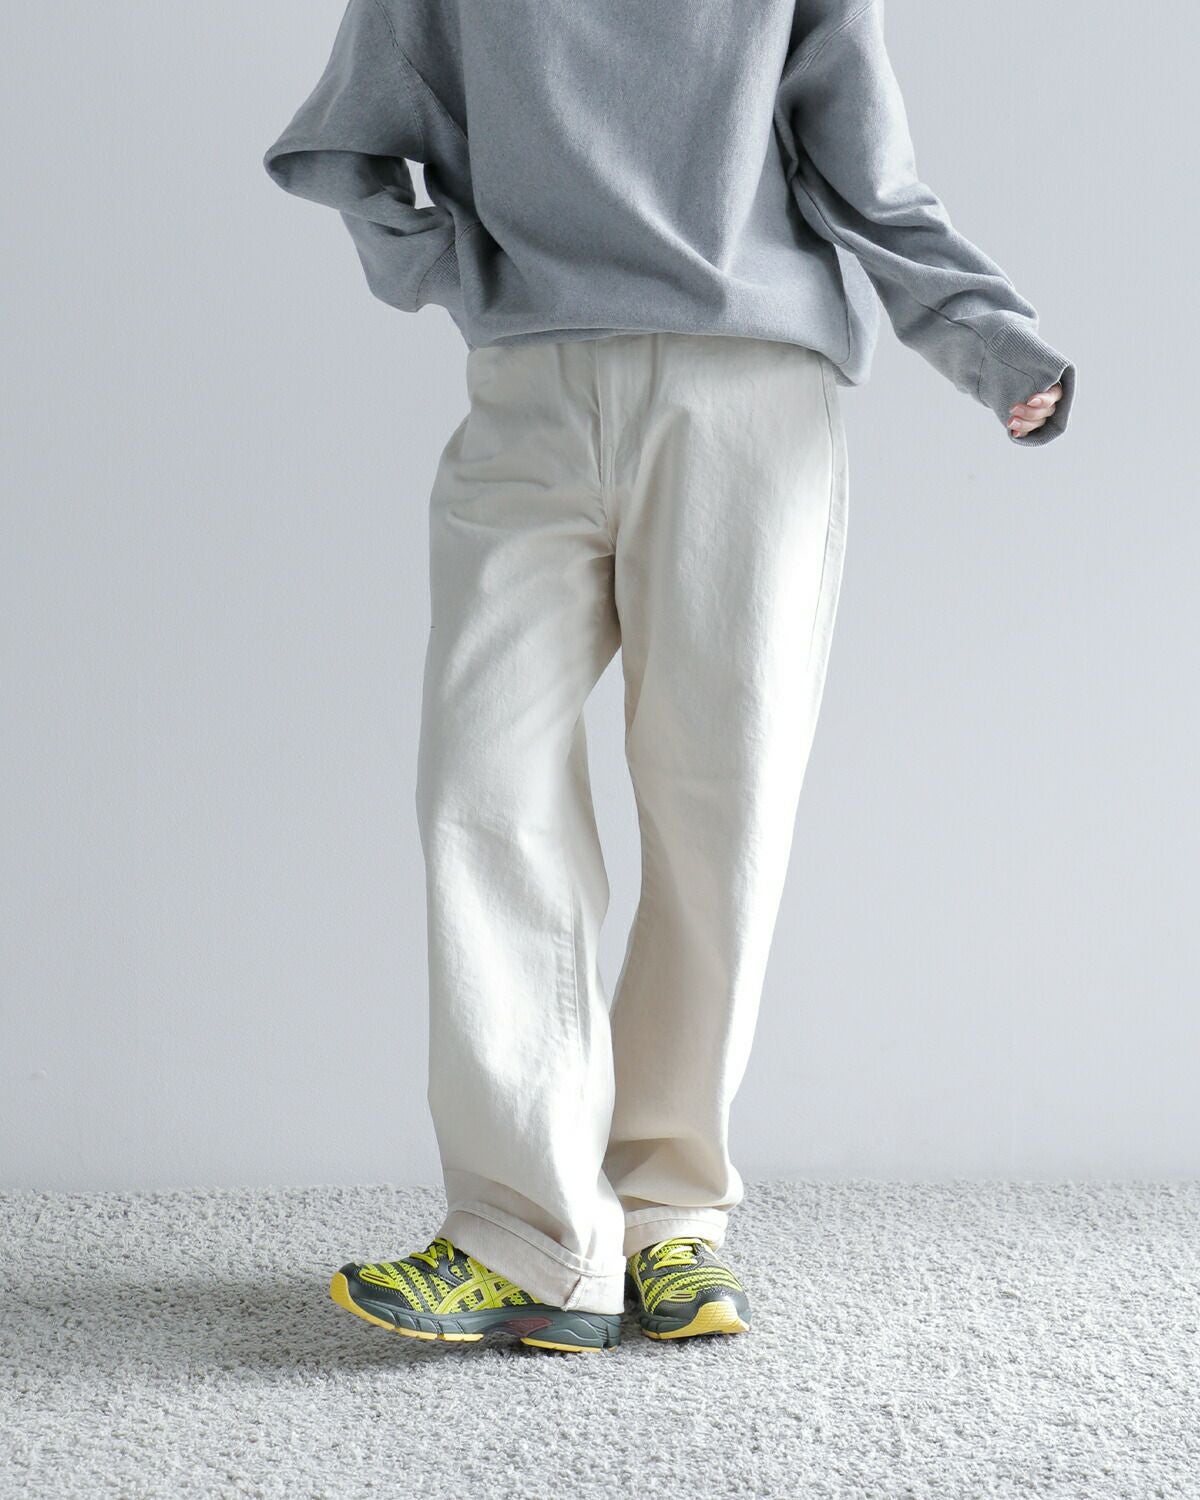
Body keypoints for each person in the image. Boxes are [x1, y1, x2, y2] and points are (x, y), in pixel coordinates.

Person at [262, 0, 1075, 1354]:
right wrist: (454, 270)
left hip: (745, 393)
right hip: (530, 391)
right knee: (480, 786)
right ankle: (527, 1234)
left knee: (719, 811)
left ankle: (671, 1214)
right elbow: (345, 138)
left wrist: (987, 339)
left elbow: (863, 171)